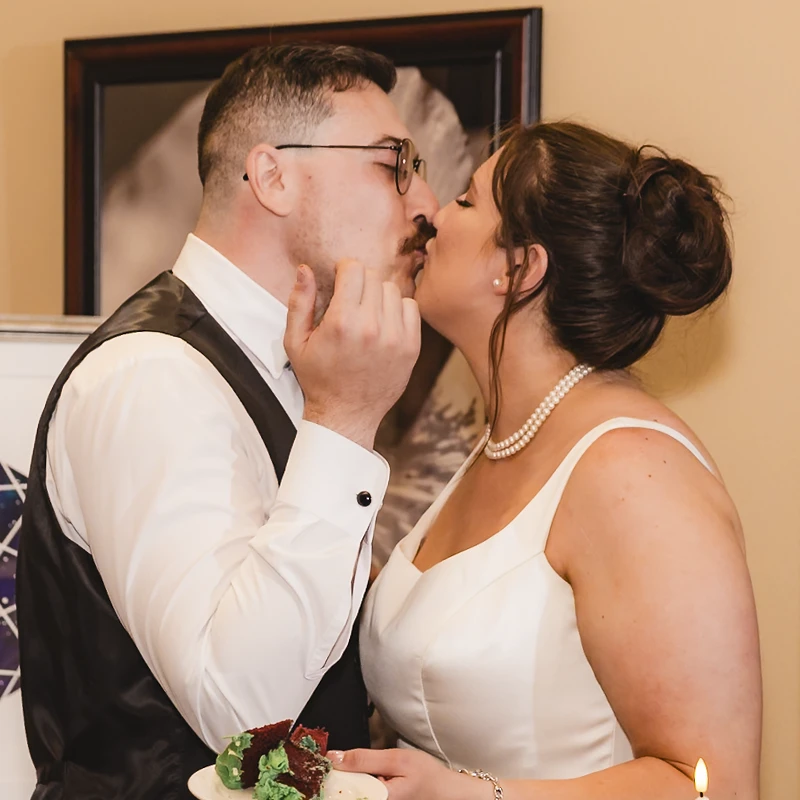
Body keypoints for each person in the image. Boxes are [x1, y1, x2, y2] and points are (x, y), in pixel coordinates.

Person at [16, 43, 437, 799]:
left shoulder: (291, 367)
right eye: (392, 163)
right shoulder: (151, 375)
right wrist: (343, 423)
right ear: (273, 176)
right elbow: (241, 714)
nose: (425, 204)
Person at [326, 122, 762, 799]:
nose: (435, 216)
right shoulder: (507, 437)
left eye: (467, 202)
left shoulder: (635, 475)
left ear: (521, 268)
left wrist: (470, 796)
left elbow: (713, 786)